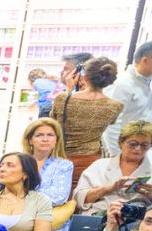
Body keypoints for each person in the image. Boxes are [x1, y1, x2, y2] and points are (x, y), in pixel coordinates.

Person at [74, 120, 152, 215]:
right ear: (121, 142)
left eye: (144, 145)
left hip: (138, 224)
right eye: (133, 144)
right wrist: (108, 188)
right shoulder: (99, 165)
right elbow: (78, 199)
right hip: (98, 218)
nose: (138, 149)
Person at [50, 56, 123, 185]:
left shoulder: (62, 99)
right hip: (92, 163)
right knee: (85, 197)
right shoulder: (115, 106)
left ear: (85, 77)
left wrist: (69, 90)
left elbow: (53, 123)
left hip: (61, 159)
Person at [20, 117, 76, 231]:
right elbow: (1, 189)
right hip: (15, 214)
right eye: (39, 135)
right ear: (30, 140)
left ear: (56, 140)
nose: (45, 139)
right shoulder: (17, 161)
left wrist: (21, 197)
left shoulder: (64, 165)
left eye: (50, 135)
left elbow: (58, 197)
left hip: (48, 219)